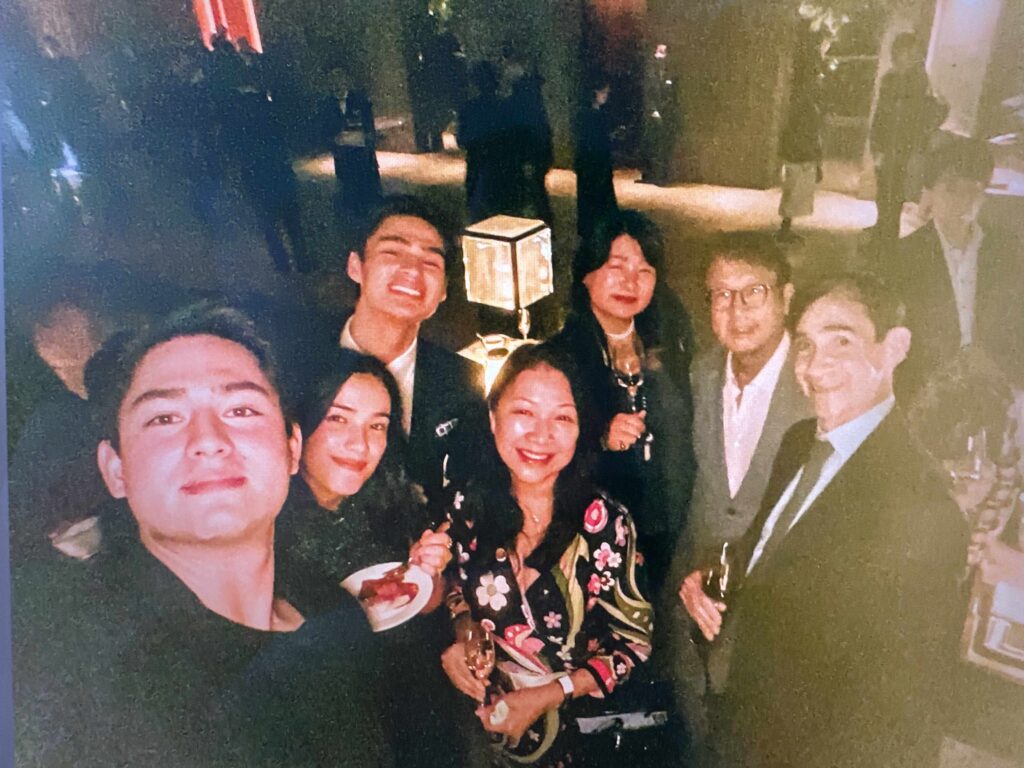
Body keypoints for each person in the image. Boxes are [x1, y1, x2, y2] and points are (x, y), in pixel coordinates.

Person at [11, 303, 386, 767]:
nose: (208, 438)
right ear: (116, 470)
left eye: (241, 409)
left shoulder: (337, 616)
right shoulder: (72, 677)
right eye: (165, 418)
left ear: (291, 449)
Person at [679, 273, 966, 767]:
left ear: (893, 348)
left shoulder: (924, 511)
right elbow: (770, 554)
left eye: (842, 340)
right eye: (806, 345)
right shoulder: (798, 443)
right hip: (737, 721)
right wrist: (707, 577)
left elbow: (904, 718)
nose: (816, 365)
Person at [440, 344, 653, 767]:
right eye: (523, 413)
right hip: (474, 733)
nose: (541, 435)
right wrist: (461, 631)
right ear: (493, 418)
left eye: (561, 417)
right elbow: (454, 586)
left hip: (572, 740)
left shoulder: (604, 525)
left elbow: (634, 644)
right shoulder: (467, 506)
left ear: (580, 429)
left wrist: (546, 696)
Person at [662, 232, 812, 764]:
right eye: (721, 295)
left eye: (754, 292)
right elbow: (706, 491)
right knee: (696, 733)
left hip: (775, 608)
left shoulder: (814, 384)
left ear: (786, 297)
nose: (737, 310)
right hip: (690, 593)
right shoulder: (703, 372)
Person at [274, 348, 463, 768]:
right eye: (338, 418)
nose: (360, 444)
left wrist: (425, 572)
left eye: (377, 426)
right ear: (299, 424)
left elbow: (425, 606)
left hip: (419, 715)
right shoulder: (266, 526)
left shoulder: (390, 500)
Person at [546, 210, 694, 594]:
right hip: (593, 529)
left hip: (667, 520)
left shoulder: (670, 338)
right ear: (586, 273)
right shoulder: (560, 357)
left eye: (644, 269)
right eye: (616, 266)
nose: (631, 281)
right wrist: (598, 436)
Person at [320, 195, 486, 499]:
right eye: (393, 252)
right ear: (356, 266)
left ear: (445, 291)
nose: (412, 270)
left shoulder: (462, 380)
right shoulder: (294, 355)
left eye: (430, 261)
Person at [887, 138, 1024, 394]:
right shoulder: (904, 255)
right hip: (926, 385)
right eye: (951, 189)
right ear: (930, 192)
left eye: (974, 190)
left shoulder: (1004, 250)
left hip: (994, 382)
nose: (963, 201)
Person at [870, 32, 945, 244]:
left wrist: (918, 138)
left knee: (894, 195)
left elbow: (933, 111)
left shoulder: (919, 81)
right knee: (883, 192)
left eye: (912, 50)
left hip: (904, 147)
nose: (909, 54)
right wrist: (876, 145)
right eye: (905, 50)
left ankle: (887, 239)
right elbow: (881, 115)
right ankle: (880, 229)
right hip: (886, 145)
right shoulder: (891, 79)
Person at [777, 20, 827, 242]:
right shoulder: (805, 100)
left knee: (795, 192)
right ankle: (785, 229)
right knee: (794, 192)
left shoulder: (805, 100)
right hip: (800, 151)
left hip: (800, 150)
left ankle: (786, 228)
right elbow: (803, 128)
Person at [319, 68, 382, 220]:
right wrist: (333, 140)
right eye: (332, 79)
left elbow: (369, 127)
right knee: (349, 194)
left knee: (369, 195)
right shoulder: (326, 105)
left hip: (363, 157)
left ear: (347, 79)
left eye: (339, 78)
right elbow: (323, 130)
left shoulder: (361, 101)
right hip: (343, 158)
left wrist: (366, 141)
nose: (337, 83)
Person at [575, 75, 617, 239]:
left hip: (591, 163)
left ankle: (592, 229)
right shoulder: (591, 116)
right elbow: (594, 142)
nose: (605, 95)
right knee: (596, 198)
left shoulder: (588, 114)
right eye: (603, 92)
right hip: (594, 164)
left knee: (590, 199)